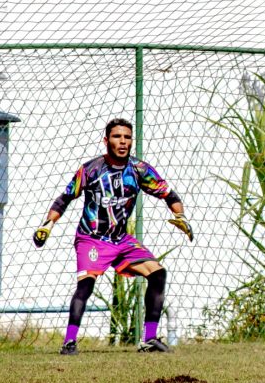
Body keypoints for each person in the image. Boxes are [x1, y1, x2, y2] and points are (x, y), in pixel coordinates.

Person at [33, 117, 194, 354]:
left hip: (121, 240)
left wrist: (181, 217)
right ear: (106, 140)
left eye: (127, 137)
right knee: (86, 285)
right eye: (117, 137)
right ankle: (69, 343)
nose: (123, 142)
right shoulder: (90, 169)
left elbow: (169, 194)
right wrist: (47, 224)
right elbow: (64, 198)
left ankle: (149, 340)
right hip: (92, 238)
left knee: (158, 274)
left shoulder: (140, 170)